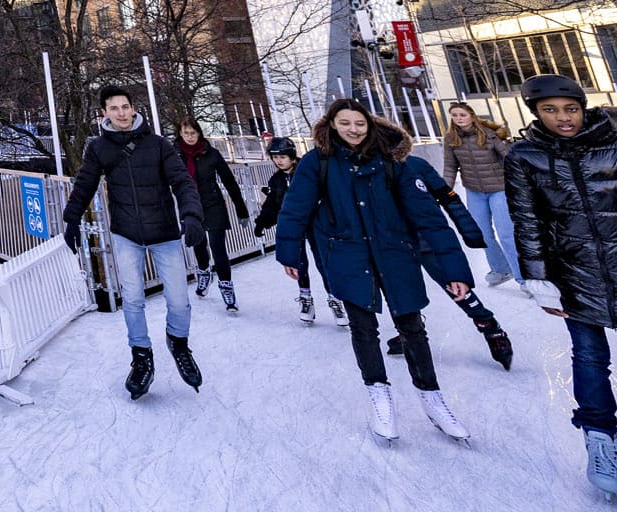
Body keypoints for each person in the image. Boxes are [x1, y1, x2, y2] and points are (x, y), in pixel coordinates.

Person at [274, 98, 472, 444]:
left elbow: (429, 218)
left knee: (412, 326)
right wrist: (290, 253)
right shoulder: (316, 162)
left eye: (359, 123)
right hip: (348, 255)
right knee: (363, 327)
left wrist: (453, 270)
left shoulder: (393, 161)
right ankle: (380, 397)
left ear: (370, 125)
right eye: (345, 123)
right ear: (332, 125)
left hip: (395, 252)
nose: (353, 129)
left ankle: (432, 397)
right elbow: (295, 209)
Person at [505, 73, 617, 498]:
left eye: (570, 109)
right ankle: (601, 439)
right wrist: (537, 278)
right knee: (590, 357)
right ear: (535, 112)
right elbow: (527, 219)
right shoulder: (524, 156)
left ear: (583, 107)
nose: (563, 118)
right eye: (550, 110)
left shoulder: (612, 142)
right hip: (573, 272)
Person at [61, 85, 205, 400]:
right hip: (126, 234)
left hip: (165, 233)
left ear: (133, 108)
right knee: (134, 299)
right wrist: (72, 218)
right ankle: (141, 356)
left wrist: (192, 216)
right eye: (115, 109)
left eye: (126, 107)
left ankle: (178, 343)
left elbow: (181, 181)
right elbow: (85, 182)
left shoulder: (158, 145)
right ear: (104, 113)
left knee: (179, 300)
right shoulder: (99, 148)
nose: (122, 113)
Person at [383, 152, 514, 371]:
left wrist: (469, 231)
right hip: (391, 243)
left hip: (426, 239)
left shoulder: (415, 164)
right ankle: (409, 330)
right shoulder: (360, 169)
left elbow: (449, 197)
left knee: (455, 285)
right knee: (400, 291)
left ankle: (489, 326)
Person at [253, 137, 345, 326]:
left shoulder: (308, 170)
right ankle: (306, 298)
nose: (279, 161)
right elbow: (272, 205)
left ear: (292, 156)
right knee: (298, 262)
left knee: (323, 262)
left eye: (283, 157)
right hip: (294, 227)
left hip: (316, 224)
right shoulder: (276, 180)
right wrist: (262, 222)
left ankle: (335, 299)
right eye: (275, 157)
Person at [174, 119, 248, 312]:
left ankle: (226, 287)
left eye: (193, 133)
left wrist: (241, 209)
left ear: (199, 133)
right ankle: (204, 272)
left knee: (217, 247)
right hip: (191, 207)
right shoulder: (174, 155)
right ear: (180, 133)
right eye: (186, 133)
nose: (190, 137)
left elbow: (229, 181)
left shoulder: (210, 153)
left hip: (213, 204)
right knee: (199, 244)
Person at [441, 101, 517, 286]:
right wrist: (443, 190)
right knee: (482, 234)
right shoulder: (451, 139)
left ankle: (524, 279)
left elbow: (510, 158)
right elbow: (450, 167)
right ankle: (501, 269)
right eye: (455, 115)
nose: (459, 119)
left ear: (472, 116)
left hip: (498, 189)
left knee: (506, 234)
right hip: (475, 191)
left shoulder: (489, 134)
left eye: (462, 115)